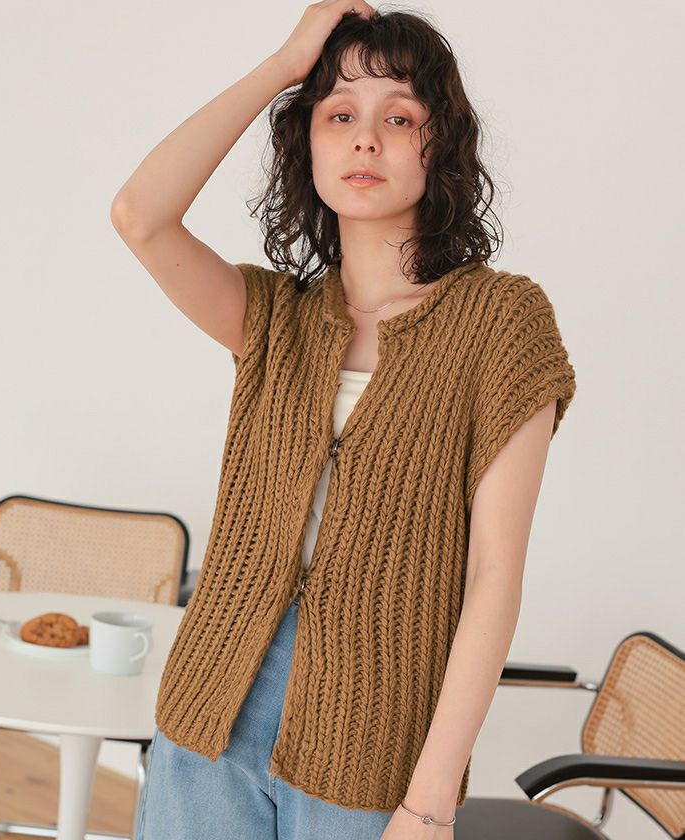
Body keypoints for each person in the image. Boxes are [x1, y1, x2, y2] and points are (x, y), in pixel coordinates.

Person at [111, 2, 577, 838]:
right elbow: (139, 215)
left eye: (398, 117)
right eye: (339, 115)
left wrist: (430, 802)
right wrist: (285, 65)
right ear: (309, 146)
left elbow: (493, 576)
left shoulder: (503, 323)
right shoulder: (273, 318)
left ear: (441, 147)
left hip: (371, 747)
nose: (365, 139)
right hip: (207, 720)